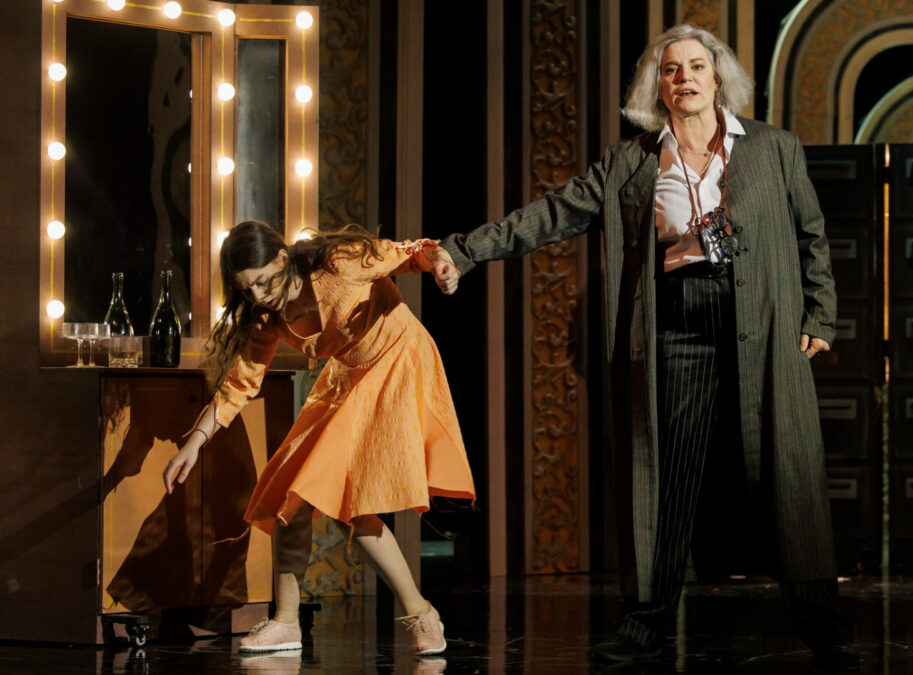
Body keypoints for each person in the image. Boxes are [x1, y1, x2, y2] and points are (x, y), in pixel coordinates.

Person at [432, 23, 856, 668]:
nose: (684, 78)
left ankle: (821, 621)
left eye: (696, 66)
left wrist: (820, 314)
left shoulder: (773, 147)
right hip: (675, 326)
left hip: (764, 323)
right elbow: (551, 213)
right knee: (664, 477)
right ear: (656, 86)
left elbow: (811, 234)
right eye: (670, 69)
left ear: (718, 77)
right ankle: (645, 620)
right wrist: (464, 251)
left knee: (786, 470)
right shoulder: (630, 160)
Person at [162, 221, 474, 655]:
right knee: (290, 495)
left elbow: (411, 252)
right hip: (349, 376)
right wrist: (195, 441)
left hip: (397, 360)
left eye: (263, 282)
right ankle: (286, 623)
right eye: (246, 290)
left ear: (282, 259)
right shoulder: (267, 317)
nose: (258, 295)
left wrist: (442, 264)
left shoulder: (339, 263)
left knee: (354, 504)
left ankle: (421, 614)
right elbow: (240, 383)